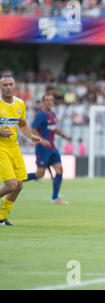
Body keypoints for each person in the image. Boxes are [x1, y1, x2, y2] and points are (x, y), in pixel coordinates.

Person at [0, 75, 42, 226]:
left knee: (19, 185)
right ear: (0, 87)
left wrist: (30, 135)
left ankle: (1, 217)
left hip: (13, 148)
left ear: (15, 86)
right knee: (11, 185)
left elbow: (22, 123)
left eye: (11, 84)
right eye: (5, 85)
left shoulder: (20, 104)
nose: (8, 87)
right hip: (0, 149)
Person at [26, 92, 71, 205]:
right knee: (39, 174)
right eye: (46, 100)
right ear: (43, 102)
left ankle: (55, 198)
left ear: (53, 101)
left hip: (52, 148)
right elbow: (33, 129)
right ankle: (15, 180)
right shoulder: (41, 115)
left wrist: (63, 135)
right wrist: (41, 140)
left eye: (51, 100)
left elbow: (54, 128)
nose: (49, 102)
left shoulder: (53, 114)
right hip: (42, 149)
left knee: (60, 170)